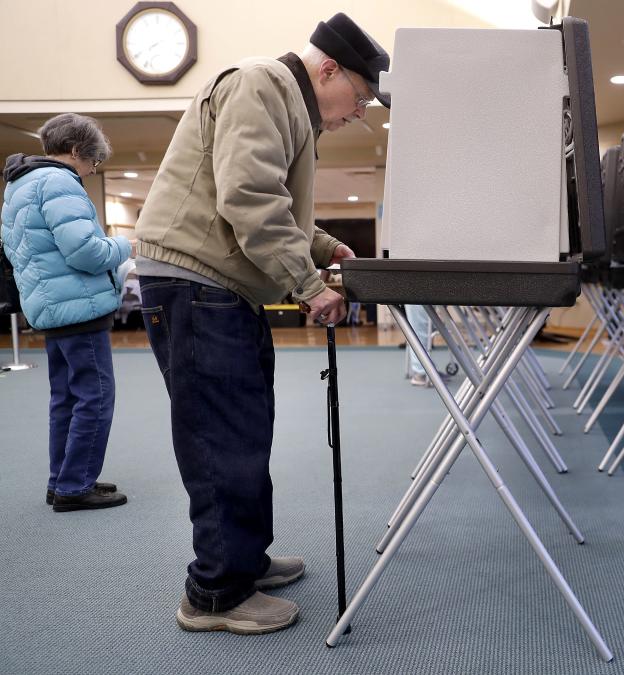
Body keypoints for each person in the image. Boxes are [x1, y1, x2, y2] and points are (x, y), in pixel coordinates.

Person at [134, 13, 389, 635]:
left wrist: (325, 247)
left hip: (218, 286)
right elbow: (248, 197)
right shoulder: (260, 85)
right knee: (222, 437)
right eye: (358, 98)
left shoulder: (287, 102)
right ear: (328, 68)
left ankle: (242, 559)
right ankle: (215, 594)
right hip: (199, 284)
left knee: (244, 428)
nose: (357, 113)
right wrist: (308, 287)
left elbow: (277, 201)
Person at [0, 113, 130, 512]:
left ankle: (63, 480)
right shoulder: (59, 182)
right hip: (79, 308)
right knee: (96, 396)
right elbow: (86, 252)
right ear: (76, 151)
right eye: (92, 162)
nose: (91, 172)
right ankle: (75, 487)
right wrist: (124, 246)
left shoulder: (19, 184)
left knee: (66, 399)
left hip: (50, 307)